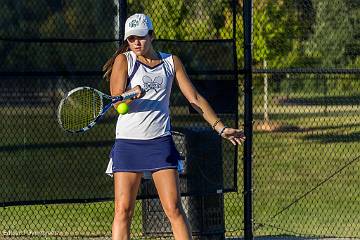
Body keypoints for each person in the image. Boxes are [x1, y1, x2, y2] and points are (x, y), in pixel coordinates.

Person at [102, 13, 245, 240]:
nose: (136, 43)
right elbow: (116, 102)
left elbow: (195, 98)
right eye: (131, 39)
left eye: (140, 37)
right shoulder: (124, 61)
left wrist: (220, 128)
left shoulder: (171, 62)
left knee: (174, 209)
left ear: (152, 36)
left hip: (160, 143)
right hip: (128, 144)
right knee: (123, 211)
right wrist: (132, 93)